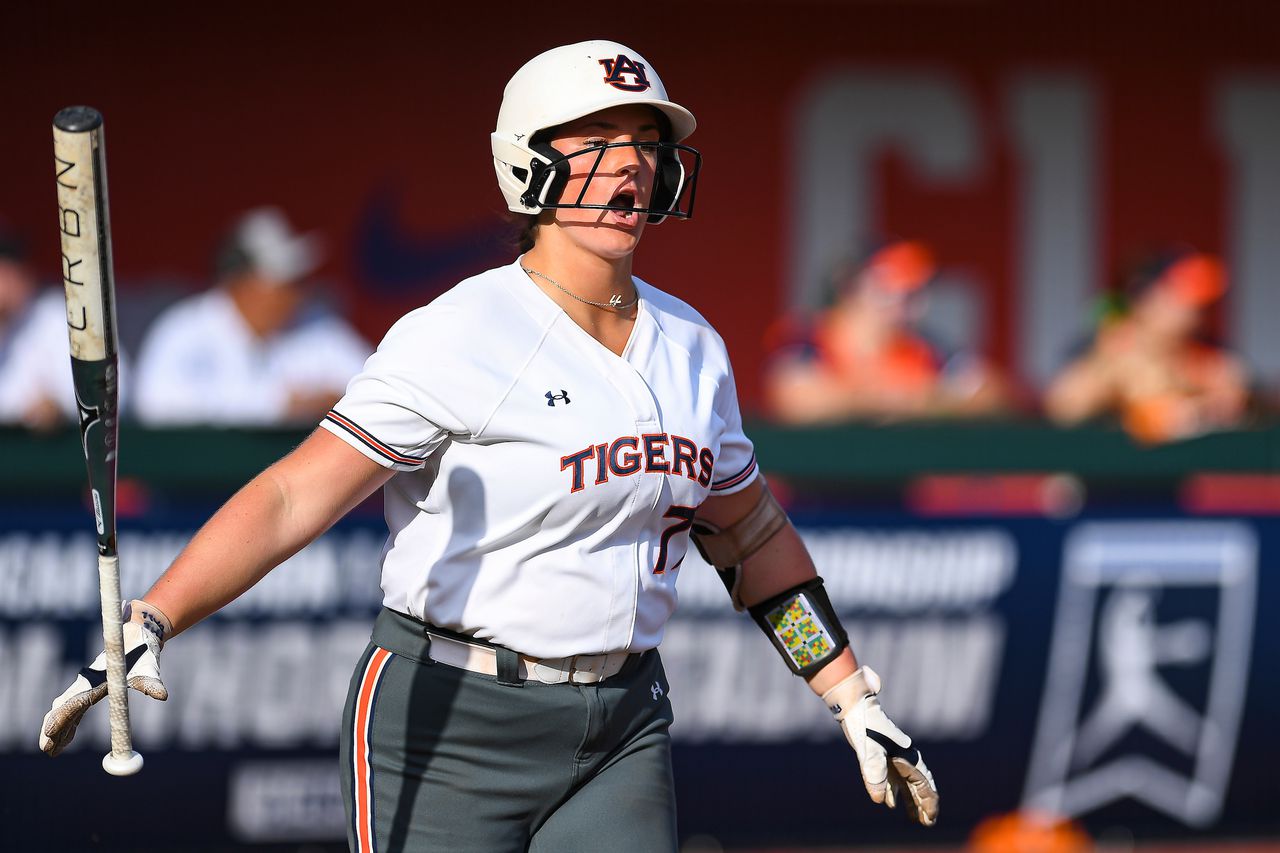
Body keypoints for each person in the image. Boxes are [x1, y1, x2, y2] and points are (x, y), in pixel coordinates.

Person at [39, 41, 938, 851]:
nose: (632, 163)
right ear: (529, 166)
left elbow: (748, 534)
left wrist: (852, 695)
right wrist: (152, 618)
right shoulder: (460, 329)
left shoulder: (693, 345)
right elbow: (293, 494)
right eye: (598, 138)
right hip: (450, 717)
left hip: (622, 721)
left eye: (646, 142)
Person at [133, 206, 371, 426]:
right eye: (280, 281)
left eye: (296, 282)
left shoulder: (316, 322)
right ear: (239, 281)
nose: (293, 293)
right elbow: (158, 405)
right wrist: (279, 404)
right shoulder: (184, 328)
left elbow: (375, 385)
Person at [765, 238, 1012, 424]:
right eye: (895, 290)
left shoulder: (922, 346)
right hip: (814, 484)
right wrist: (881, 398)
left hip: (893, 483)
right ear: (850, 287)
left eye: (914, 293)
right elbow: (796, 399)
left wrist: (931, 401)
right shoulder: (807, 336)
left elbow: (991, 391)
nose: (912, 307)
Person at [1044, 251, 1249, 444]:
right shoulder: (1106, 343)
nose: (1193, 310)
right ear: (1145, 297)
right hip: (1099, 474)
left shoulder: (1206, 353)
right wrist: (1114, 377)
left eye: (1198, 302)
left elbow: (1237, 400)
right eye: (1180, 295)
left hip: (1166, 476)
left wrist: (1200, 404)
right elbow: (1063, 407)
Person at [0, 234, 122, 429]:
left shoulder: (60, 315)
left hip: (62, 449)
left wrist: (59, 407)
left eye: (9, 271)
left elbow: (110, 388)